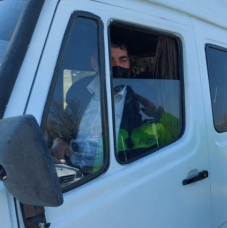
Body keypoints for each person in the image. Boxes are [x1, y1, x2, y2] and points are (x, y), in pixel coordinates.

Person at [50, 41, 179, 172]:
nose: (117, 65)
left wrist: (156, 113)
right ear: (95, 64)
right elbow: (65, 125)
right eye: (109, 60)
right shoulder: (78, 92)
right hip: (71, 171)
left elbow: (173, 135)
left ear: (129, 63)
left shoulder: (143, 95)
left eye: (122, 60)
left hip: (111, 174)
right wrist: (58, 139)